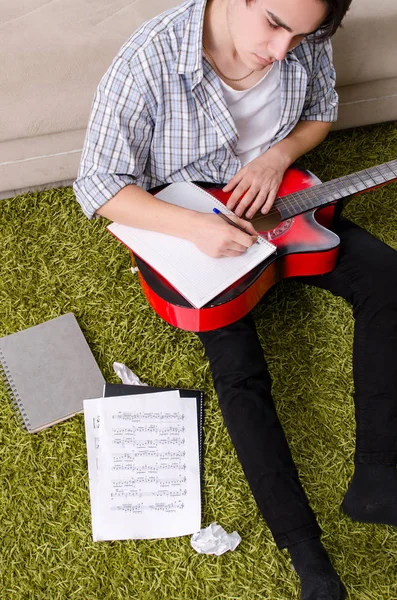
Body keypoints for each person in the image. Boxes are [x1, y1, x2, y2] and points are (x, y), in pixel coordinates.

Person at [74, 0, 397, 597]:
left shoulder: (304, 33)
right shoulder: (147, 62)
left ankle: (379, 474)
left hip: (278, 205)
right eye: (275, 25)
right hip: (189, 218)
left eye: (301, 36)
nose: (282, 50)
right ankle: (309, 560)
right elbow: (96, 186)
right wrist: (197, 229)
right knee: (237, 370)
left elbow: (321, 114)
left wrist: (278, 156)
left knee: (389, 279)